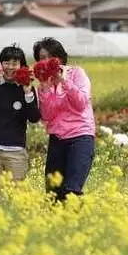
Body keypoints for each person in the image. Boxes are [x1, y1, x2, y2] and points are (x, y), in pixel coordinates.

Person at [0, 45, 41, 201]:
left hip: (16, 151)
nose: (10, 67)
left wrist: (27, 92)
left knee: (16, 198)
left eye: (15, 63)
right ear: (0, 64)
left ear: (21, 66)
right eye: (6, 62)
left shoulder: (27, 89)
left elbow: (34, 117)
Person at [34, 37, 96, 201]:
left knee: (72, 190)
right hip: (57, 139)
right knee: (54, 193)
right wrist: (46, 89)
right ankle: (56, 225)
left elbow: (81, 103)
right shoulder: (43, 85)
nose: (46, 61)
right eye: (42, 58)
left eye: (50, 56)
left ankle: (76, 223)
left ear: (60, 57)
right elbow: (47, 116)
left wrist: (63, 80)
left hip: (80, 137)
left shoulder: (76, 73)